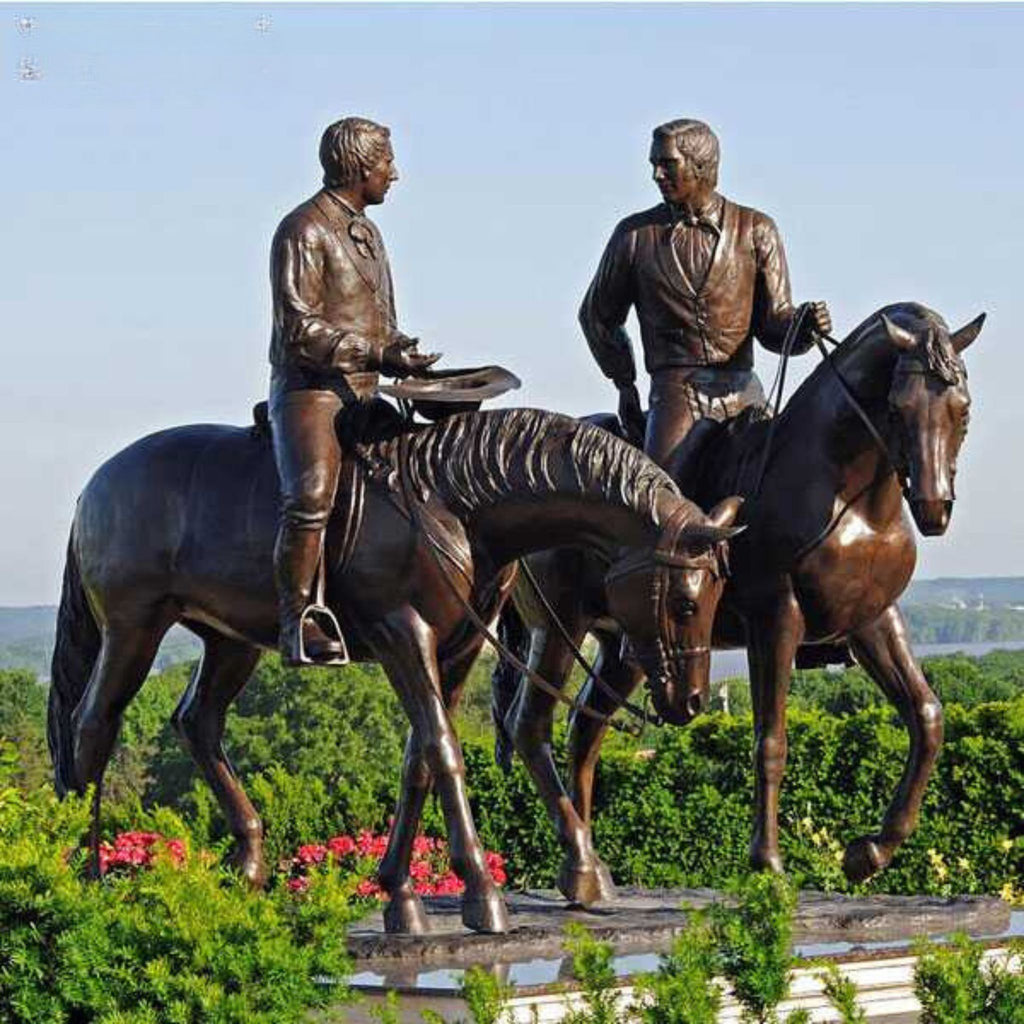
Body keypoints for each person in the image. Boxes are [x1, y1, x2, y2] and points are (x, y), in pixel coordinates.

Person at [268, 116, 438, 665]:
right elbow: (298, 330)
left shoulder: (367, 231)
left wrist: (402, 351)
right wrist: (376, 352)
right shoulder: (303, 229)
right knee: (311, 496)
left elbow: (378, 321)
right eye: (387, 162)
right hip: (312, 393)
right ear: (362, 167)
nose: (395, 173)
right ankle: (299, 618)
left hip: (365, 390)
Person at [579, 118, 831, 479]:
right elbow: (597, 317)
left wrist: (802, 327)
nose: (655, 175)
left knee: (790, 481)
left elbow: (774, 323)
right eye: (654, 164)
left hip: (744, 393)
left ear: (700, 166)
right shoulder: (634, 236)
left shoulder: (757, 230)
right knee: (662, 496)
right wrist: (625, 383)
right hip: (676, 396)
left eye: (667, 164)